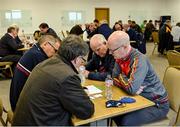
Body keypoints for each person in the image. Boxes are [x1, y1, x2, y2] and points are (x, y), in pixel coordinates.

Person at [12, 35, 94, 126]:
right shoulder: (67, 76)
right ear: (76, 58)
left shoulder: (44, 64)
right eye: (83, 61)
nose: (82, 65)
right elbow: (87, 110)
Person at [107, 31, 169, 126]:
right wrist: (126, 82)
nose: (110, 53)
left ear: (124, 47)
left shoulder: (139, 59)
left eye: (112, 50)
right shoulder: (119, 57)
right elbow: (113, 78)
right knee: (114, 113)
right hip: (140, 98)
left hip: (156, 104)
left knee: (126, 121)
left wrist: (121, 76)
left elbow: (131, 88)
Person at [10, 35, 60, 111]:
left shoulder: (34, 50)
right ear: (45, 44)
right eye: (55, 50)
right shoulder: (38, 56)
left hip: (17, 99)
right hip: (22, 107)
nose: (55, 54)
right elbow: (50, 82)